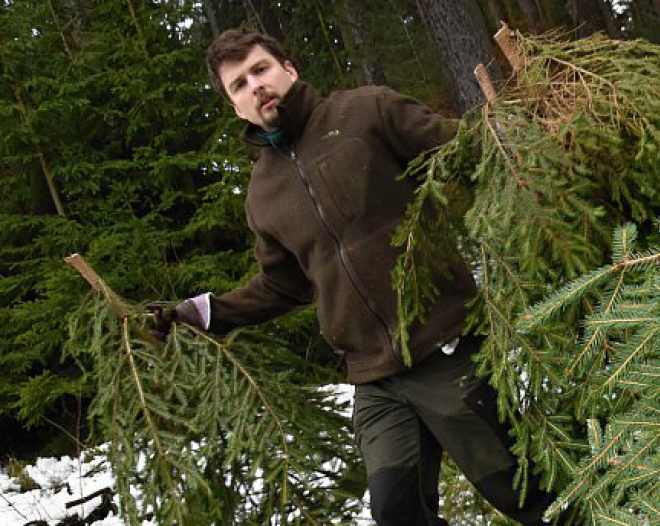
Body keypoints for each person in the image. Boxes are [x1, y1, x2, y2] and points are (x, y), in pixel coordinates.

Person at [150, 29, 557, 525]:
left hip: (446, 350)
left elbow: (461, 149)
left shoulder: (368, 112)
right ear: (234, 106)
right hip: (375, 379)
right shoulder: (262, 193)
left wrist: (523, 125)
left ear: (289, 70)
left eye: (260, 70)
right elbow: (283, 286)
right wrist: (202, 312)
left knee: (526, 495)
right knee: (396, 512)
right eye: (238, 84)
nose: (254, 86)